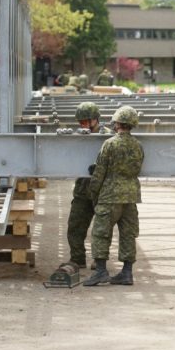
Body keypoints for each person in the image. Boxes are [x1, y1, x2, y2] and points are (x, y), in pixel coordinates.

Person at [83, 106, 144, 286]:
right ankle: (126, 273)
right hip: (131, 197)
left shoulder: (110, 144)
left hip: (109, 196)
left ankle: (101, 271)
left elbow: (100, 172)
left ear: (117, 123)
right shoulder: (138, 145)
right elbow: (137, 169)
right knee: (127, 235)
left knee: (101, 233)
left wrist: (93, 192)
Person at [65, 102, 110, 268]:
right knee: (75, 226)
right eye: (80, 122)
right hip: (83, 190)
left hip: (102, 191)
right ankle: (77, 259)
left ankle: (99, 261)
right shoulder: (80, 137)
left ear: (95, 120)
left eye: (86, 122)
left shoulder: (108, 137)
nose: (83, 125)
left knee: (101, 230)